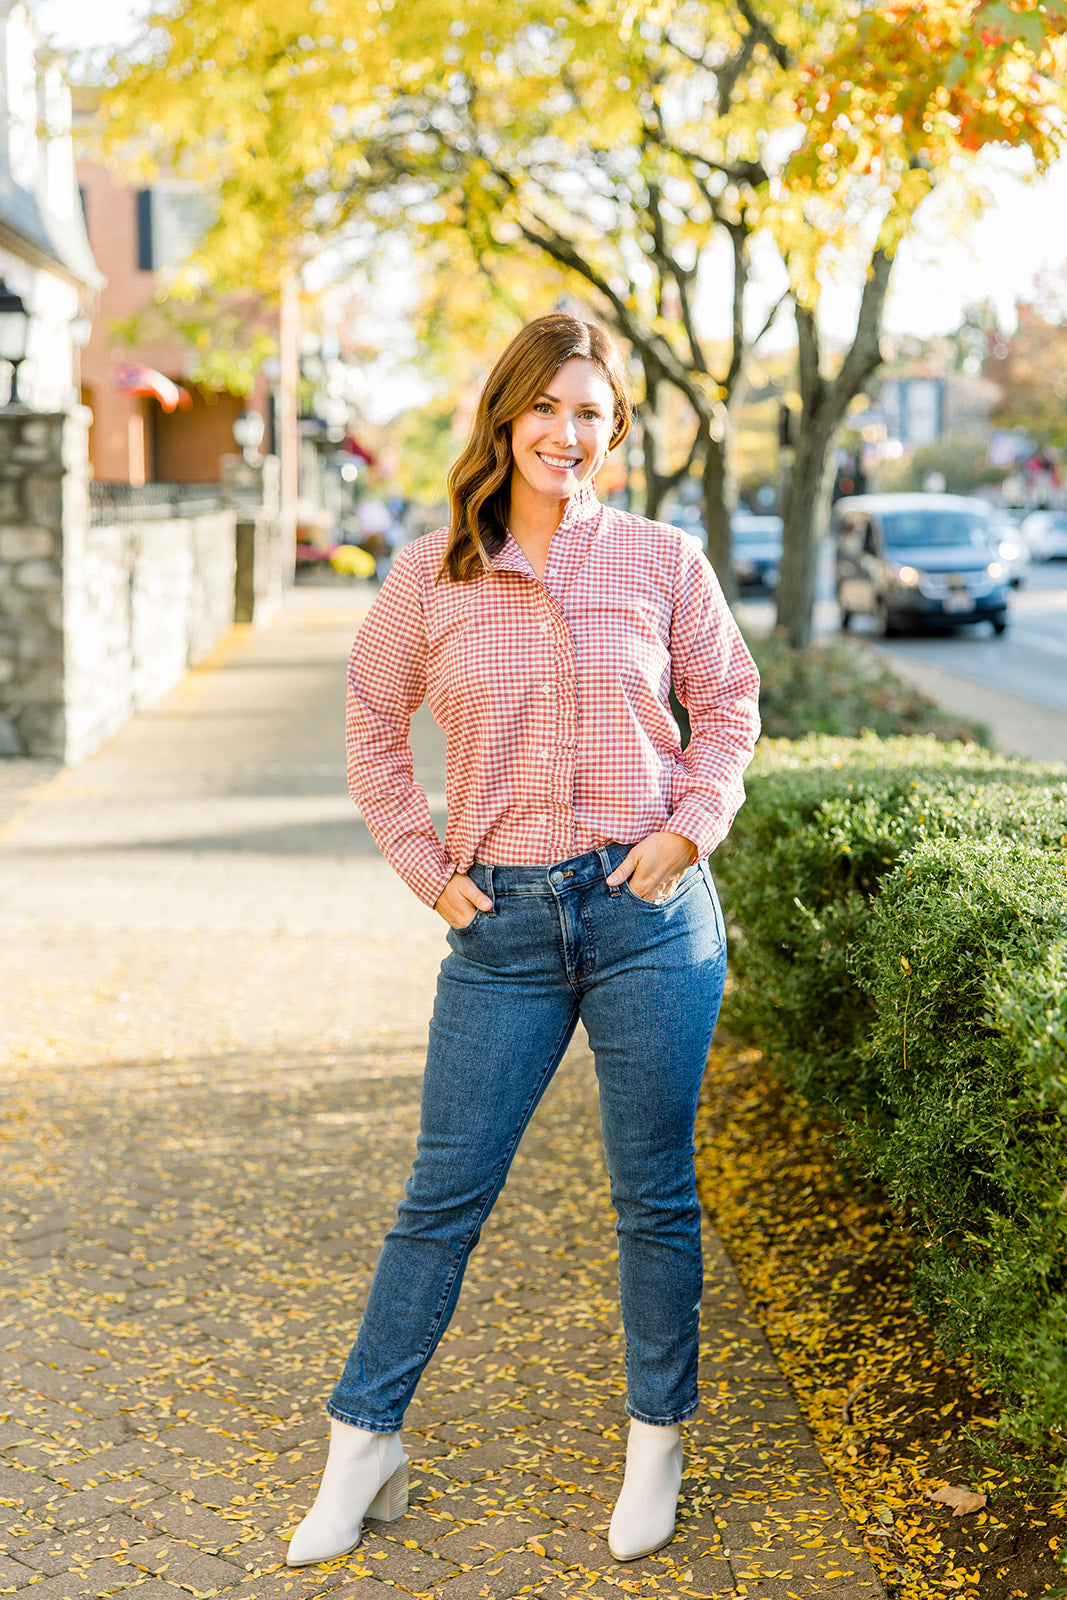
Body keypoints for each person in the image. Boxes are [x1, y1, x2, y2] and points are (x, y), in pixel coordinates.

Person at [286, 312, 760, 1569]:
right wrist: (428, 873)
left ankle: (655, 1441)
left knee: (651, 1196)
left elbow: (728, 706)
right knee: (439, 1200)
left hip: (649, 917)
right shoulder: (428, 574)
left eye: (591, 413)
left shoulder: (663, 560)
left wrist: (690, 828)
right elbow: (372, 725)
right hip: (498, 924)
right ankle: (361, 1442)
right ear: (505, 418)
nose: (567, 432)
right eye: (545, 408)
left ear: (613, 430)